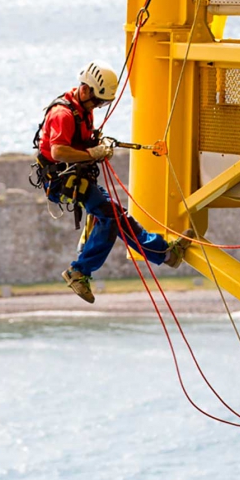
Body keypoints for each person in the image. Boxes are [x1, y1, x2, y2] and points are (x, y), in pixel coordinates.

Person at [34, 60, 194, 304]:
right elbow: (58, 153)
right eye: (97, 101)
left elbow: (77, 141)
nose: (98, 106)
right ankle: (79, 271)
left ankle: (165, 254)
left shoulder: (82, 108)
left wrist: (96, 143)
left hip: (77, 177)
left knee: (118, 217)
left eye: (103, 103)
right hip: (63, 181)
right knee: (112, 217)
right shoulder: (63, 114)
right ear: (85, 89)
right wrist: (93, 154)